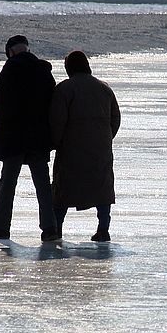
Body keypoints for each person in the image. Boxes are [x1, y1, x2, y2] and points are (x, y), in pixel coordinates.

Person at [0, 35, 60, 241]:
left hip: (14, 136)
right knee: (42, 184)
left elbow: (0, 101)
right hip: (38, 137)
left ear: (11, 51)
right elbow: (53, 103)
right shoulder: (43, 71)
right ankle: (50, 228)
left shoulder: (10, 69)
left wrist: (1, 134)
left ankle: (1, 226)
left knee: (8, 182)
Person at [49, 51, 121, 242]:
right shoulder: (104, 89)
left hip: (71, 150)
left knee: (62, 191)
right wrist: (105, 138)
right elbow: (115, 119)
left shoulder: (64, 89)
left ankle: (56, 229)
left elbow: (57, 121)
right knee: (102, 190)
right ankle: (103, 229)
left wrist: (56, 142)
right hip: (100, 149)